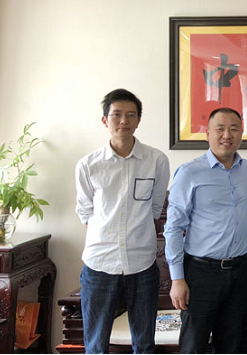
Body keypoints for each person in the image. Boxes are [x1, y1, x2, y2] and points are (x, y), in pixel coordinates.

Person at [75, 88, 170, 354]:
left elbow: (155, 208)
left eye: (131, 115)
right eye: (116, 114)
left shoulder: (156, 160)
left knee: (144, 343)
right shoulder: (88, 165)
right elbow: (85, 212)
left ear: (139, 120)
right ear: (104, 120)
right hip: (99, 263)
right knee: (96, 344)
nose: (123, 121)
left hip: (142, 264)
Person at [164, 107, 247, 353]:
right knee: (194, 345)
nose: (227, 135)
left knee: (231, 344)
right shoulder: (190, 172)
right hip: (201, 273)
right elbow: (173, 228)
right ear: (207, 134)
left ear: (241, 133)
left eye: (234, 129)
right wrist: (177, 279)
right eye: (220, 129)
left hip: (239, 271)